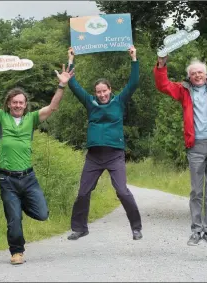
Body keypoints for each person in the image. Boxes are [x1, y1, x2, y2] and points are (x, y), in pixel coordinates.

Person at [0, 64, 74, 264]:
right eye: (14, 102)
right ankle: (17, 252)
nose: (18, 105)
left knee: (42, 213)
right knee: (14, 220)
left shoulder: (32, 119)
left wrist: (62, 85)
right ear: (9, 104)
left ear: (25, 104)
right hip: (7, 179)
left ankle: (17, 206)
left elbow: (53, 107)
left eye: (21, 102)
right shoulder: (1, 119)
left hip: (28, 178)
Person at [153, 16, 207, 248]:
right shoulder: (183, 90)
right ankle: (196, 231)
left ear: (206, 75)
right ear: (189, 76)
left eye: (201, 72)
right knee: (196, 191)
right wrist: (161, 63)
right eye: (194, 72)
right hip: (195, 147)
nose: (197, 75)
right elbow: (162, 85)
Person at [66, 46, 143, 241]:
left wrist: (134, 59)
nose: (101, 94)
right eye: (98, 92)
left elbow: (133, 83)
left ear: (110, 90)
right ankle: (79, 228)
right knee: (83, 192)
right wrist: (71, 60)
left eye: (104, 91)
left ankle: (136, 228)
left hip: (114, 154)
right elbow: (73, 85)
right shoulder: (90, 103)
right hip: (94, 156)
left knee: (122, 191)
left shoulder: (119, 101)